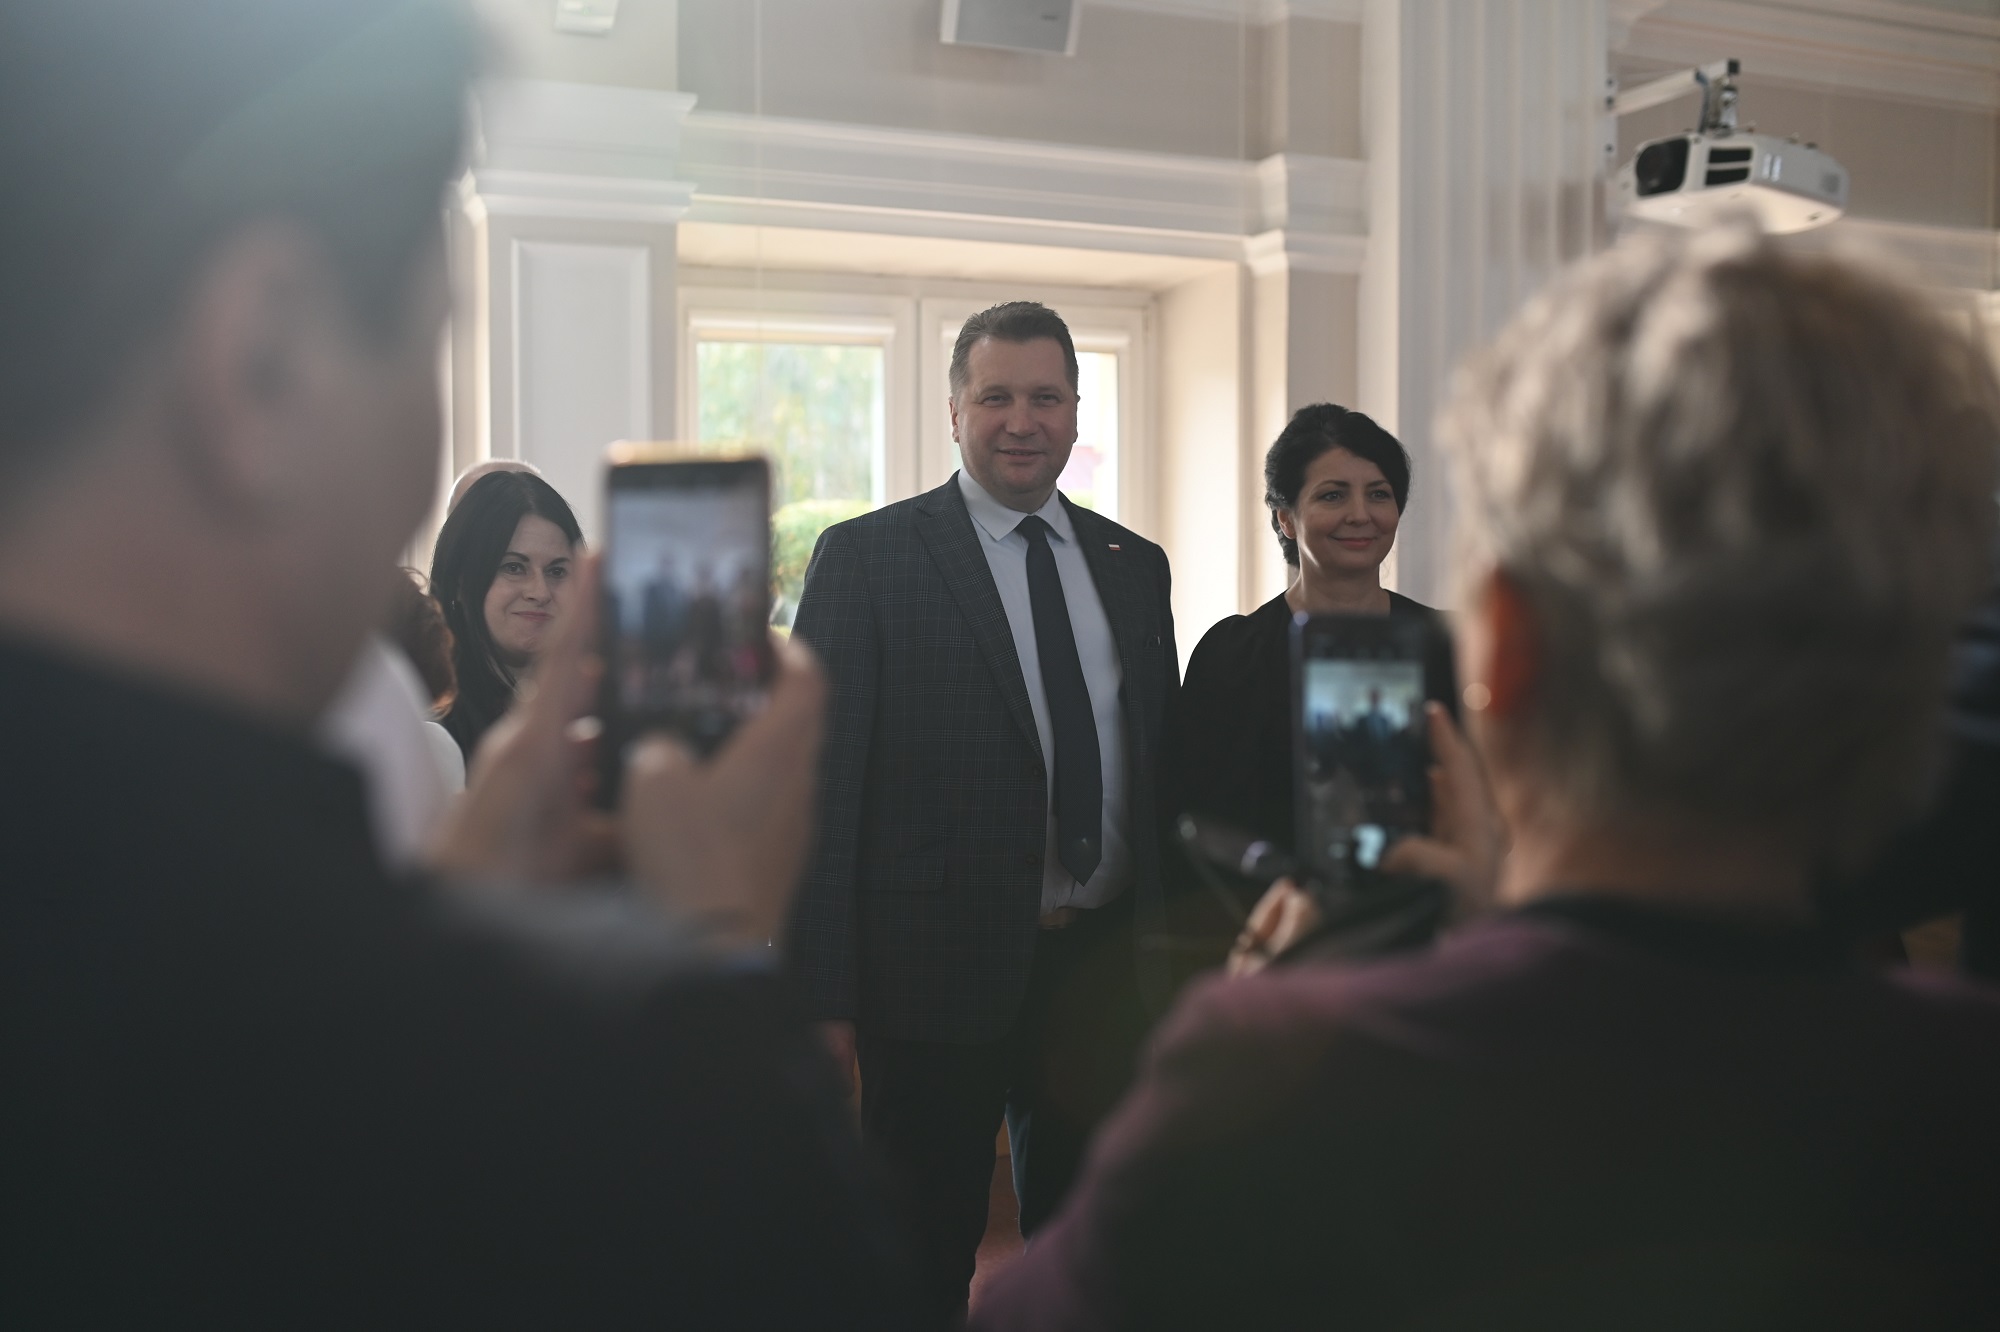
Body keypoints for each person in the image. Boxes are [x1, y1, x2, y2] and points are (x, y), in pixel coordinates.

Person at [0, 4, 913, 1325]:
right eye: (428, 341)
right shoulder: (421, 1056)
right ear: (262, 362)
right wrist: (712, 949)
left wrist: (455, 908)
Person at [972, 226, 2000, 1330]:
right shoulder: (1960, 1095)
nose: (1357, 515)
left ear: (1499, 652)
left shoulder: (1276, 1081)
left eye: (1378, 494)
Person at [788, 300, 1179, 1325]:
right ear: (954, 411)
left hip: (1101, 974)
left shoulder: (1134, 566)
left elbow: (1156, 769)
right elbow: (821, 794)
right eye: (996, 396)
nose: (1022, 421)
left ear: (1075, 411)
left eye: (1045, 397)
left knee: (1093, 1263)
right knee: (915, 1265)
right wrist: (822, 999)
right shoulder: (868, 559)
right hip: (929, 978)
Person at [1164, 406, 1439, 916]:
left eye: (1379, 494)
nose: (1360, 514)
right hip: (1270, 928)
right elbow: (1199, 823)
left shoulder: (1445, 645)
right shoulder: (1232, 654)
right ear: (1285, 518)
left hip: (1426, 927)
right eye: (1333, 495)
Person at [428, 468, 582, 759]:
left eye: (557, 571)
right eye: (513, 567)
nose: (540, 592)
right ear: (460, 581)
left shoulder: (600, 706)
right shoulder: (430, 724)